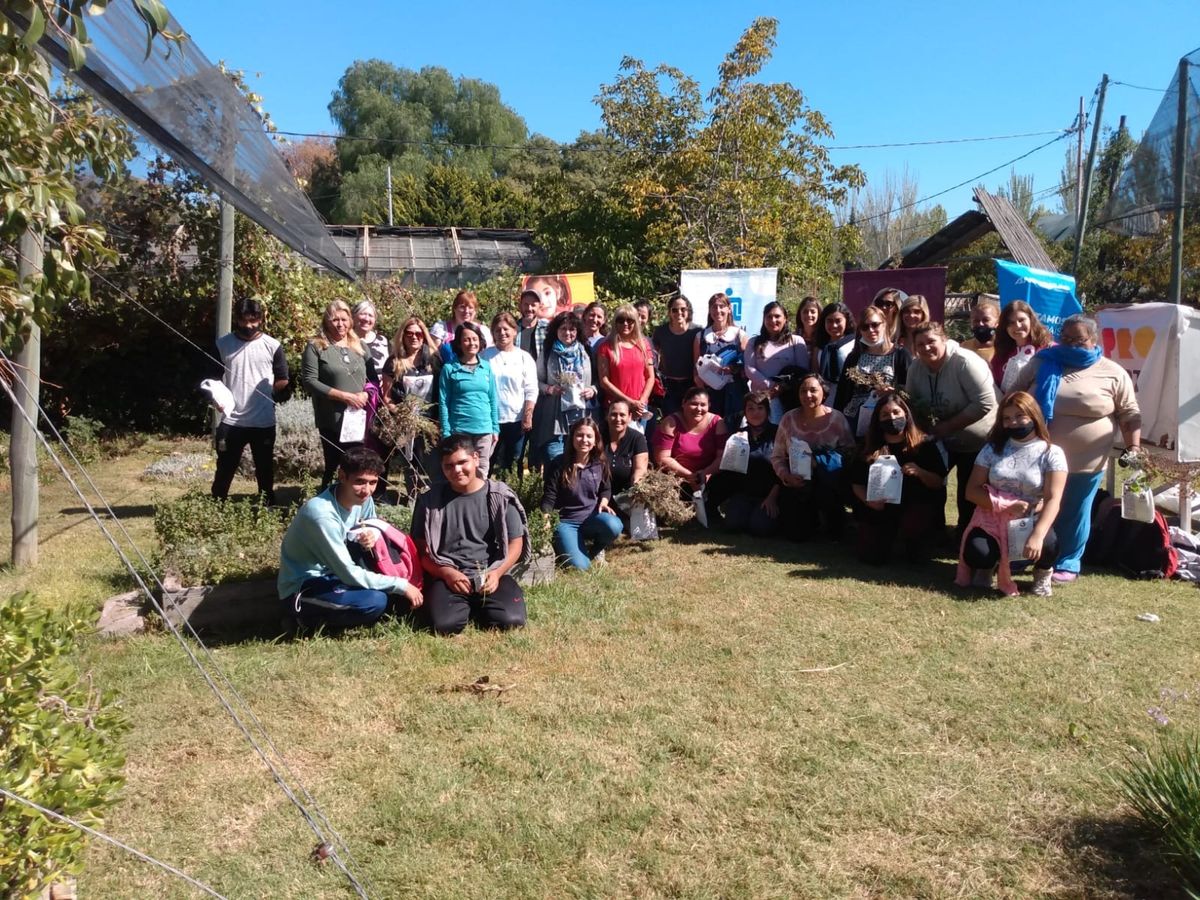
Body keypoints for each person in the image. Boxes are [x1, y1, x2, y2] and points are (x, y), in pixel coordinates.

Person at [1013, 313, 1141, 582]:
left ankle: (1067, 560)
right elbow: (1015, 395)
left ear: (1093, 339)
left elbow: (1129, 414)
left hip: (1085, 459)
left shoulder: (1113, 372)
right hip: (1037, 455)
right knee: (1030, 504)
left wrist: (1134, 447)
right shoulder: (1043, 361)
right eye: (1066, 338)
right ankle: (1022, 552)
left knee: (1073, 509)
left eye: (1078, 340)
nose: (1070, 344)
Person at [278, 447, 423, 633]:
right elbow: (348, 573)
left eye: (373, 482)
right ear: (342, 476)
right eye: (359, 482)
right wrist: (400, 585)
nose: (367, 490)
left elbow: (371, 525)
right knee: (375, 602)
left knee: (391, 598)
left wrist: (372, 535)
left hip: (337, 574)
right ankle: (302, 620)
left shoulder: (363, 500)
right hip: (307, 584)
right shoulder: (321, 514)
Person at [412, 436, 529, 635]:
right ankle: (462, 606)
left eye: (462, 462)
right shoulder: (429, 501)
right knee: (444, 626)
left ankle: (479, 604)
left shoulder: (499, 497)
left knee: (511, 621)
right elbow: (421, 550)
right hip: (449, 574)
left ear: (475, 458)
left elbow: (516, 543)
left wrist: (497, 573)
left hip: (490, 572)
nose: (456, 470)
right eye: (449, 465)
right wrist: (446, 573)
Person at [959, 391, 1066, 597]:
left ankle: (1043, 572)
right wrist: (1005, 505)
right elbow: (971, 491)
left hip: (1030, 518)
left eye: (1019, 416)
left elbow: (1053, 499)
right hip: (992, 517)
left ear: (1033, 416)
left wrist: (1038, 534)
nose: (1013, 423)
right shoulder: (991, 449)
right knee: (978, 553)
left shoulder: (1052, 453)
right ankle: (985, 568)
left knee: (1049, 544)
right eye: (1007, 418)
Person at [905, 321, 998, 533]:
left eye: (931, 341)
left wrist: (947, 427)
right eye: (920, 344)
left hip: (978, 441)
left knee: (968, 492)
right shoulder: (915, 367)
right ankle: (933, 532)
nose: (926, 348)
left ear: (944, 340)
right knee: (929, 483)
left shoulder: (965, 362)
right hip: (939, 439)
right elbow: (911, 402)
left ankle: (966, 537)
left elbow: (985, 402)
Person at [850, 392, 948, 563]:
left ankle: (912, 542)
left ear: (906, 414)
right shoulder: (869, 446)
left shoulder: (923, 444)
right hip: (881, 507)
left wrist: (920, 472)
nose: (891, 418)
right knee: (870, 556)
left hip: (914, 506)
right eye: (885, 415)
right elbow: (856, 482)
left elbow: (938, 482)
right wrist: (868, 501)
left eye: (896, 412)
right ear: (878, 420)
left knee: (914, 556)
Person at [210, 296, 289, 505]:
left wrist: (278, 391)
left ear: (261, 319)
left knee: (264, 467)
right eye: (244, 321)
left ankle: (267, 504)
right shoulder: (223, 344)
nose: (249, 326)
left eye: (253, 320)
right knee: (226, 465)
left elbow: (282, 379)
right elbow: (213, 380)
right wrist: (216, 399)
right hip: (231, 419)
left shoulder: (272, 345)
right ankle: (217, 505)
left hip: (263, 420)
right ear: (237, 319)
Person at [303, 299, 376, 489]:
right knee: (334, 463)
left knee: (356, 464)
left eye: (344, 319)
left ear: (350, 321)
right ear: (327, 321)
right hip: (331, 417)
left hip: (357, 417)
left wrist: (366, 395)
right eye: (335, 320)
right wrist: (344, 396)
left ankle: (355, 501)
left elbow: (373, 379)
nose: (340, 324)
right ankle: (327, 501)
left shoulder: (359, 346)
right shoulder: (316, 346)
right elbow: (310, 381)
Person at [772, 372, 856, 539]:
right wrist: (786, 476)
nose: (807, 395)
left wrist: (819, 461)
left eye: (813, 390)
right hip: (797, 481)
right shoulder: (788, 419)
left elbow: (850, 453)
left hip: (828, 481)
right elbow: (777, 457)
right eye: (803, 391)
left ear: (823, 392)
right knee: (796, 535)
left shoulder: (837, 419)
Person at [541, 417, 623, 570]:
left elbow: (606, 489)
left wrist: (604, 502)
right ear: (572, 437)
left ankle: (596, 550)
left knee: (615, 525)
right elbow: (549, 495)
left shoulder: (600, 463)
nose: (584, 440)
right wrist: (545, 519)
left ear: (595, 440)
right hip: (566, 522)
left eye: (589, 436)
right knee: (580, 567)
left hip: (591, 517)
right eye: (579, 435)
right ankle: (569, 546)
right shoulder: (559, 463)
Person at [704, 391, 783, 536]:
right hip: (744, 493)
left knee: (760, 529)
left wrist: (772, 498)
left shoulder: (778, 434)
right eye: (750, 408)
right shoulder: (738, 436)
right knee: (733, 526)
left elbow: (784, 469)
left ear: (767, 411)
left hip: (769, 494)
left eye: (760, 408)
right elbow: (729, 471)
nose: (755, 413)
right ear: (745, 413)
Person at [379, 316, 441, 496]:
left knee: (432, 460)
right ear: (402, 335)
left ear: (424, 336)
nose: (414, 337)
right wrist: (401, 413)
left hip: (431, 421)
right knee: (410, 460)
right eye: (409, 333)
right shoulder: (393, 362)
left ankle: (434, 496)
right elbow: (387, 397)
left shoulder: (434, 360)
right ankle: (413, 496)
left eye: (419, 334)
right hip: (406, 422)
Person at [832, 305, 912, 438]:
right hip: (855, 421)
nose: (871, 330)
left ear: (884, 324)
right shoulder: (855, 356)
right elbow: (842, 393)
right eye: (865, 327)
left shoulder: (900, 355)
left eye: (875, 325)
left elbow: (911, 390)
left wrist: (895, 391)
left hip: (888, 420)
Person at [533, 311, 596, 464]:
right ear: (556, 330)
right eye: (563, 328)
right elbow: (536, 381)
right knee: (554, 459)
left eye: (572, 329)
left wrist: (593, 390)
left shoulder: (585, 351)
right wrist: (548, 389)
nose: (568, 333)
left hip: (580, 414)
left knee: (577, 461)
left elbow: (598, 379)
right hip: (555, 418)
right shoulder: (548, 352)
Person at [438, 322, 499, 477]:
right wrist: (446, 431)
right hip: (460, 430)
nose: (471, 343)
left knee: (481, 471)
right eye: (466, 339)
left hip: (484, 430)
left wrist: (495, 429)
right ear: (459, 343)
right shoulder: (449, 369)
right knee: (460, 472)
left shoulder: (487, 367)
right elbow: (444, 401)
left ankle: (480, 502)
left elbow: (493, 399)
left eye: (474, 338)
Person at [482, 312, 537, 475]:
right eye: (497, 330)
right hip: (491, 420)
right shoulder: (485, 356)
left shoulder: (524, 358)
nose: (502, 333)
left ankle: (513, 497)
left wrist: (528, 415)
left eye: (506, 329)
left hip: (516, 419)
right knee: (487, 461)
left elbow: (531, 389)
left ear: (515, 331)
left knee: (514, 462)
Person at [653, 386, 728, 495]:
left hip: (709, 477)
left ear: (709, 405)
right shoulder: (670, 423)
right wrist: (689, 476)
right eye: (694, 404)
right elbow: (662, 458)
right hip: (676, 478)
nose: (698, 409)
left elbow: (722, 457)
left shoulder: (717, 423)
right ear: (684, 403)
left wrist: (705, 474)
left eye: (703, 405)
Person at [744, 301, 809, 423]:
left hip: (788, 398)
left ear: (785, 318)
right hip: (760, 400)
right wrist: (771, 387)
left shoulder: (796, 341)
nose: (773, 320)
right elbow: (749, 369)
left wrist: (781, 388)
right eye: (769, 317)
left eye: (777, 316)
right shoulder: (753, 342)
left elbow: (803, 370)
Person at [693, 292, 748, 426]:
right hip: (710, 393)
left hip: (735, 392)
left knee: (734, 430)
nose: (718, 310)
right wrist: (703, 392)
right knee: (711, 431)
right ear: (709, 310)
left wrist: (733, 368)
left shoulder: (740, 334)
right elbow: (695, 368)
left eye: (721, 306)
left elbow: (747, 366)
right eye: (714, 307)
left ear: (729, 309)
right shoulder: (701, 337)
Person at [595, 303, 653, 426]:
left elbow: (650, 377)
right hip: (616, 408)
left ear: (635, 322)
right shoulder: (606, 347)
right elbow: (604, 381)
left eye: (630, 320)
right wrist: (630, 402)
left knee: (638, 443)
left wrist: (640, 403)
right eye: (621, 320)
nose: (625, 324)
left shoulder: (644, 345)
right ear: (615, 323)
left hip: (640, 408)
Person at [653, 295, 702, 417]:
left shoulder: (697, 331)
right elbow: (654, 355)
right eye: (674, 310)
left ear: (688, 311)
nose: (678, 313)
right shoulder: (660, 332)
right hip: (669, 386)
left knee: (690, 419)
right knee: (671, 420)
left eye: (682, 309)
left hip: (691, 384)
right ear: (669, 312)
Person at [991, 300, 1053, 392]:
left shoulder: (1048, 349)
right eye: (1011, 323)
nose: (1017, 326)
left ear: (1031, 320)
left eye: (1021, 320)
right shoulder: (1001, 354)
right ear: (1005, 326)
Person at [431, 290, 493, 362]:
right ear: (454, 309)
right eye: (462, 307)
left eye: (470, 307)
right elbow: (434, 357)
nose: (466, 311)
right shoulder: (441, 329)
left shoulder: (484, 331)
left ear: (475, 311)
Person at [603, 400, 649, 495]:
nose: (618, 419)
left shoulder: (637, 438)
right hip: (597, 494)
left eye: (622, 415)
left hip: (625, 495)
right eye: (614, 414)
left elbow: (640, 469)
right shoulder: (597, 437)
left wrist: (637, 485)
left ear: (629, 417)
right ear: (607, 417)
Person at [815, 301, 856, 388]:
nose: (834, 325)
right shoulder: (820, 346)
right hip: (826, 395)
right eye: (829, 321)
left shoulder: (854, 343)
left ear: (847, 321)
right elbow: (815, 374)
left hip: (847, 394)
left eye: (838, 321)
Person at [352, 299, 390, 378]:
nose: (366, 319)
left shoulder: (383, 341)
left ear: (375, 320)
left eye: (370, 315)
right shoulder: (345, 341)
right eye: (362, 314)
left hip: (381, 389)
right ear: (353, 316)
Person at [961, 297, 1000, 364]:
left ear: (997, 323)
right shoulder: (963, 347)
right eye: (976, 320)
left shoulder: (1004, 348)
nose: (980, 324)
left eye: (986, 320)